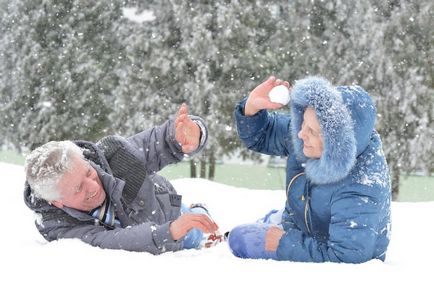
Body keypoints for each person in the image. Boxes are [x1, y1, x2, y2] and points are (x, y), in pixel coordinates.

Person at [228, 76, 391, 263]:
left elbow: (347, 258)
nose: (301, 133)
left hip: (324, 245)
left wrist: (282, 243)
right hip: (301, 221)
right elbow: (261, 134)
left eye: (312, 131)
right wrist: (252, 108)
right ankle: (280, 218)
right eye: (303, 122)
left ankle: (278, 223)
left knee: (239, 239)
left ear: (336, 143)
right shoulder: (306, 134)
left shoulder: (361, 190)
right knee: (240, 236)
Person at [24, 103, 223, 254]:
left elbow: (157, 142)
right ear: (57, 202)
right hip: (164, 231)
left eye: (88, 173)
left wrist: (185, 136)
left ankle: (198, 209)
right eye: (78, 189)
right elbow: (106, 240)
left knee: (194, 233)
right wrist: (165, 233)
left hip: (164, 209)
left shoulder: (115, 154)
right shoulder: (55, 224)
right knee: (181, 235)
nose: (93, 186)